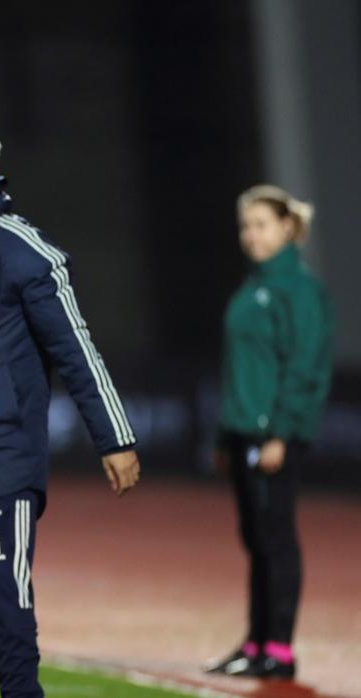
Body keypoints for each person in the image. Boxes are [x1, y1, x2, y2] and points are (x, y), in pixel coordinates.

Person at [0, 110, 141, 697]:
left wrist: (115, 438)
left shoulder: (23, 248)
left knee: (4, 610)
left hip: (2, 458)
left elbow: (75, 348)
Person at [207, 185, 333, 680]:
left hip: (272, 435)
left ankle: (278, 648)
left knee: (275, 537)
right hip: (242, 433)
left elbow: (305, 367)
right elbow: (238, 369)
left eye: (260, 224)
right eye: (245, 226)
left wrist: (280, 432)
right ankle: (256, 641)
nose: (251, 235)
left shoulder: (299, 290)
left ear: (286, 228)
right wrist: (223, 437)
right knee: (255, 537)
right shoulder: (251, 287)